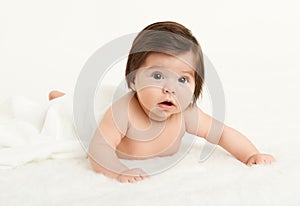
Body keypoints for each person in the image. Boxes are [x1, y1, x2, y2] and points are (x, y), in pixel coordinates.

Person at [49, 21, 275, 183]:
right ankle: (62, 100)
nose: (170, 88)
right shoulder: (123, 112)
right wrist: (118, 171)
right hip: (99, 122)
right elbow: (99, 148)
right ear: (134, 80)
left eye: (183, 79)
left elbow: (223, 133)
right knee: (72, 114)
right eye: (157, 76)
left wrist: (250, 155)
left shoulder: (187, 114)